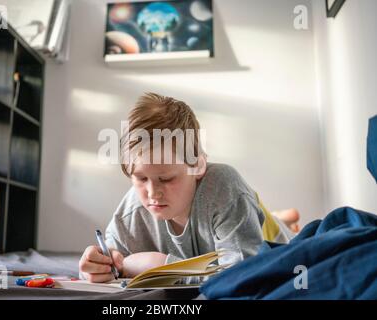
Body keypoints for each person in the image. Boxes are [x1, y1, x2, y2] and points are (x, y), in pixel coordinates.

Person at [79, 93, 298, 283]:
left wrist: (166, 267)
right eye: (140, 178)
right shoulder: (133, 209)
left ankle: (279, 221)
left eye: (166, 179)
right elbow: (109, 260)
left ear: (198, 165)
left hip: (265, 233)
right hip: (227, 216)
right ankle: (279, 215)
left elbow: (243, 275)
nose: (153, 193)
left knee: (261, 221)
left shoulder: (224, 187)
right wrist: (95, 266)